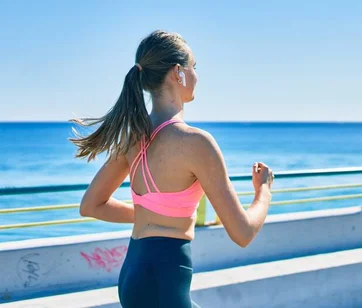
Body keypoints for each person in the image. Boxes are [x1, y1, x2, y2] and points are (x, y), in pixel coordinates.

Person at [69, 30, 274, 308]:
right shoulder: (196, 142)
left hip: (133, 276)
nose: (197, 75)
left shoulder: (132, 137)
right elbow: (243, 233)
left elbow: (91, 205)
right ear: (178, 72)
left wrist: (151, 214)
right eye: (194, 67)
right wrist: (263, 191)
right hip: (166, 281)